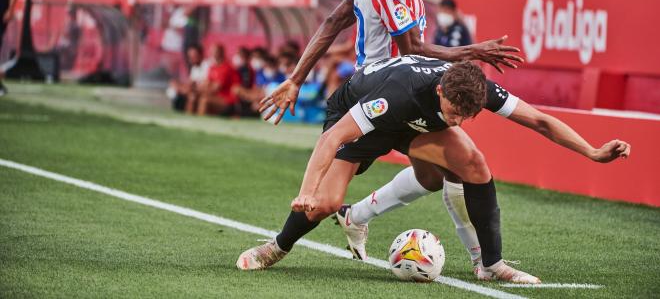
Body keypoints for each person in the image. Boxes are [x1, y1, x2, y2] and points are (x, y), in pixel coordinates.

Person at [254, 0, 529, 282]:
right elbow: (412, 48)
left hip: (407, 96)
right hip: (377, 97)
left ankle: (485, 262)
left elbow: (334, 21)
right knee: (324, 201)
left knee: (451, 169)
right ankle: (277, 246)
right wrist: (472, 51)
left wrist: (298, 78)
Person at [237, 57, 630, 281]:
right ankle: (275, 247)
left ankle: (491, 265)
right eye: (455, 113)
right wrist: (307, 189)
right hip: (362, 119)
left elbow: (541, 121)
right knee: (321, 204)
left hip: (414, 123)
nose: (459, 121)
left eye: (468, 115)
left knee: (470, 164)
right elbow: (332, 139)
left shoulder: (476, 90)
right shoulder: (400, 93)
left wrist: (593, 152)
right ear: (441, 91)